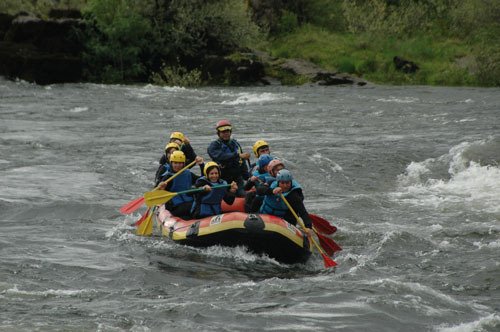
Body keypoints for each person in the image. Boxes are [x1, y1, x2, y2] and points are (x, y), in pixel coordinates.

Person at [207, 119, 250, 197]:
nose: (226, 134)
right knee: (227, 196)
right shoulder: (214, 146)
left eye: (228, 131)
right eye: (223, 132)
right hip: (222, 179)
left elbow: (241, 162)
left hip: (237, 179)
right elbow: (221, 157)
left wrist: (248, 177)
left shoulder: (236, 144)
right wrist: (237, 155)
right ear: (218, 133)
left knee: (243, 194)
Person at [158, 151, 204, 219]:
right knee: (191, 208)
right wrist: (162, 188)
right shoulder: (168, 177)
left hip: (188, 201)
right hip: (175, 206)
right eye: (175, 163)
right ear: (171, 163)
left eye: (180, 163)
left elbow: (203, 181)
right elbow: (159, 193)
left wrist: (202, 165)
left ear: (183, 163)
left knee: (200, 205)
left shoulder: (188, 173)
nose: (177, 165)